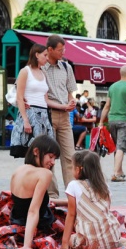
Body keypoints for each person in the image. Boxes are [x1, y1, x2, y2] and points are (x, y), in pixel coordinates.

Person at [61, 150, 121, 249]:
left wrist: (64, 243)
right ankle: (121, 242)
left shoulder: (74, 185)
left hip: (89, 241)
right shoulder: (104, 186)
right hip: (111, 236)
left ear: (78, 169)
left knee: (72, 239)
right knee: (106, 234)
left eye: (72, 167)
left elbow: (71, 214)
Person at [10, 135, 61, 249]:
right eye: (51, 157)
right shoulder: (45, 174)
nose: (53, 162)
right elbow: (33, 210)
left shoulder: (19, 169)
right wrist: (27, 245)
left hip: (16, 222)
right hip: (38, 225)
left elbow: (24, 201)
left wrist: (67, 201)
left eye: (55, 159)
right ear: (36, 151)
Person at [41, 35, 78, 198]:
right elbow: (41, 96)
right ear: (49, 50)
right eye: (60, 50)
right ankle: (52, 195)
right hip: (48, 115)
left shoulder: (66, 67)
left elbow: (70, 91)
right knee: (49, 157)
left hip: (65, 116)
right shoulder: (41, 68)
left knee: (70, 155)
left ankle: (73, 193)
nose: (63, 52)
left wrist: (72, 101)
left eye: (64, 49)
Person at [10, 44, 54, 158]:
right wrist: (25, 120)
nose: (47, 58)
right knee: (29, 153)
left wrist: (64, 106)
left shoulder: (43, 73)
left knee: (43, 152)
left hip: (43, 114)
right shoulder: (25, 71)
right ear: (36, 54)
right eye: (45, 55)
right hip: (30, 113)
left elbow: (46, 99)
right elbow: (19, 97)